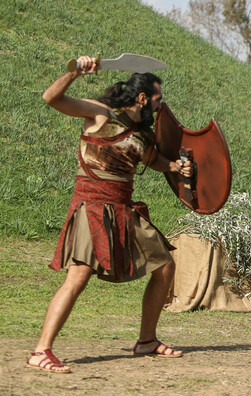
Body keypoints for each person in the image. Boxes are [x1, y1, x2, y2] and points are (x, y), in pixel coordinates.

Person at [26, 56, 193, 373]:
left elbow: (152, 159)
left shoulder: (141, 133)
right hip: (92, 205)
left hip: (124, 208)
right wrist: (74, 72)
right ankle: (40, 350)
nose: (159, 108)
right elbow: (52, 98)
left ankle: (146, 340)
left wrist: (174, 166)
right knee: (78, 276)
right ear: (142, 98)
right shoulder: (101, 114)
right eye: (157, 101)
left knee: (165, 266)